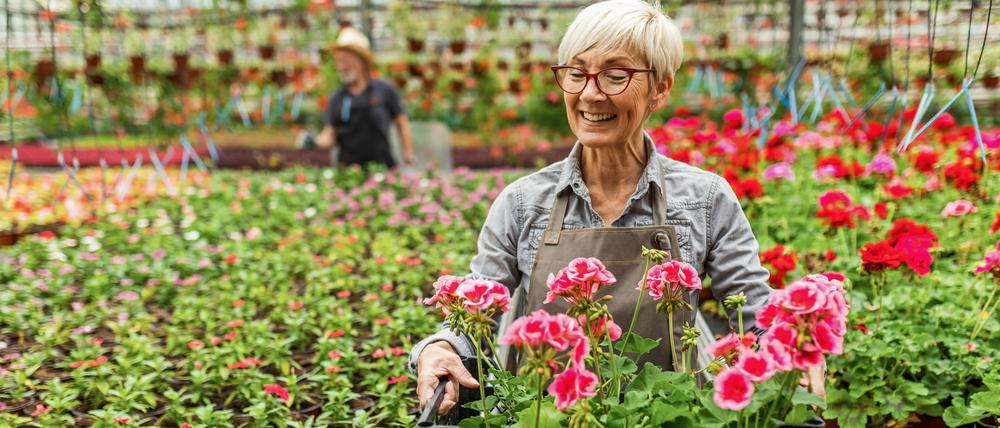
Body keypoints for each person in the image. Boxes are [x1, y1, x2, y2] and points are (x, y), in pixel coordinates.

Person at [411, 0, 821, 415]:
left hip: (669, 416)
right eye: (577, 73)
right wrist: (439, 348)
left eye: (615, 75)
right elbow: (473, 317)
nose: (590, 94)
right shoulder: (522, 203)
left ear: (660, 88)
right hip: (545, 417)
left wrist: (795, 347)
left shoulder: (705, 199)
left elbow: (755, 314)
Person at [316, 27, 414, 167]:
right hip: (349, 169)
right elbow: (329, 133)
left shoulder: (383, 89)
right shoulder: (337, 97)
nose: (341, 67)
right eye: (338, 61)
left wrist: (408, 153)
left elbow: (402, 121)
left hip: (382, 165)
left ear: (361, 61)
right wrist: (317, 142)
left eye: (345, 60)